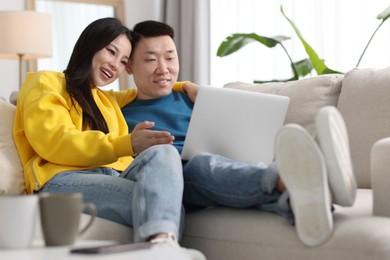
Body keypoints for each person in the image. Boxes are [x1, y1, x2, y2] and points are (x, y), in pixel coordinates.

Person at [122, 20, 357, 247]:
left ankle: (302, 198)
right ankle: (309, 176)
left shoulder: (196, 98)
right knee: (202, 164)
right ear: (130, 65)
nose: (163, 68)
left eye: (170, 57)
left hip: (222, 165)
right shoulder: (119, 114)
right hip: (172, 179)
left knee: (213, 164)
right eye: (151, 59)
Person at [13, 17, 205, 259]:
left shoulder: (106, 99)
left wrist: (187, 86)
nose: (115, 65)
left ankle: (159, 248)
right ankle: (160, 250)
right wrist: (126, 144)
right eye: (111, 52)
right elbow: (56, 142)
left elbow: (150, 87)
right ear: (91, 45)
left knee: (163, 152)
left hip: (113, 176)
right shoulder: (47, 82)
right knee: (164, 203)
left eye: (123, 61)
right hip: (62, 180)